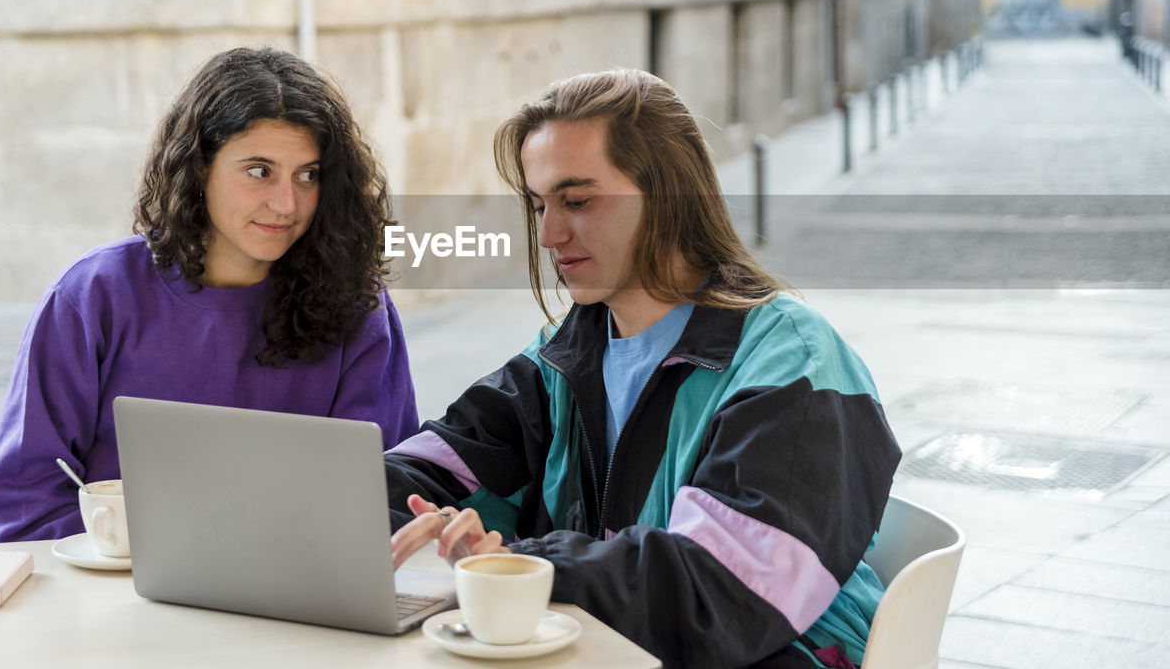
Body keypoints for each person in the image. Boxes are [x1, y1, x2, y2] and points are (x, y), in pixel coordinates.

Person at [385, 70, 900, 669]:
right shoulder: (563, 354)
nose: (549, 233)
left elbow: (722, 591)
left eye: (577, 200)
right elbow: (437, 467)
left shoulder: (796, 364)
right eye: (539, 205)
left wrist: (528, 564)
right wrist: (374, 512)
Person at [0, 47, 418, 542]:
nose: (286, 203)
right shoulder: (93, 296)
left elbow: (383, 497)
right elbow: (22, 508)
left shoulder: (358, 306)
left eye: (307, 175)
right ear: (198, 167)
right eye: (259, 171)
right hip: (112, 593)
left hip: (291, 596)